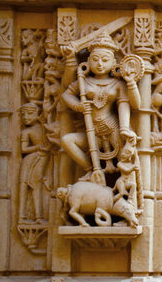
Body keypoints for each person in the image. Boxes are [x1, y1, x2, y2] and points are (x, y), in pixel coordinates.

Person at [60, 32, 140, 185]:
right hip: (92, 131)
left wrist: (124, 128)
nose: (100, 64)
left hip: (113, 130)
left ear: (113, 63)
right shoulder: (84, 82)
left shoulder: (117, 84)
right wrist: (78, 106)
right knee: (67, 140)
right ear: (88, 61)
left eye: (105, 60)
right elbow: (66, 94)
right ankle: (91, 170)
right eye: (95, 60)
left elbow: (130, 105)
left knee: (125, 161)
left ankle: (126, 189)